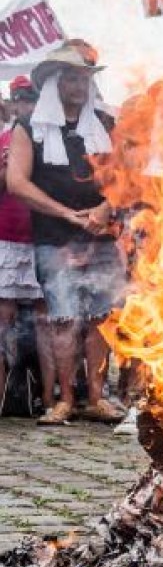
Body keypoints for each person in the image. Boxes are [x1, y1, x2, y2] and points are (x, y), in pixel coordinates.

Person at [7, 41, 125, 426]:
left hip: (102, 235)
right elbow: (17, 182)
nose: (79, 84)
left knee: (101, 319)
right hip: (54, 236)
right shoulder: (31, 128)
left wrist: (103, 210)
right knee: (62, 319)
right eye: (72, 77)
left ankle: (96, 397)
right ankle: (64, 400)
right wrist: (67, 215)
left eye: (84, 77)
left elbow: (126, 176)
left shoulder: (105, 124)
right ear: (55, 82)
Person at [0, 76, 55, 417]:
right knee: (3, 319)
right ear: (13, 103)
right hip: (7, 237)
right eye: (20, 99)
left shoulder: (52, 137)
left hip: (42, 236)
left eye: (32, 99)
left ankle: (49, 399)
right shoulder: (4, 138)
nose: (27, 105)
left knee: (46, 322)